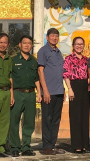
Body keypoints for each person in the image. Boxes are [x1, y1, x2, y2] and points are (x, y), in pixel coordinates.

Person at [9, 35, 42, 157]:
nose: (27, 45)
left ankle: (26, 147)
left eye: (29, 43)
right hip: (17, 93)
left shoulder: (34, 61)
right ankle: (15, 147)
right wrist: (11, 94)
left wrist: (39, 93)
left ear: (31, 45)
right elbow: (10, 78)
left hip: (30, 94)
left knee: (29, 122)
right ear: (20, 45)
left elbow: (36, 79)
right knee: (14, 121)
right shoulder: (13, 60)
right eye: (24, 43)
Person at [37, 28, 66, 156]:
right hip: (48, 92)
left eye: (56, 36)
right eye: (52, 36)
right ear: (47, 37)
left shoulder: (59, 52)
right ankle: (46, 146)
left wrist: (63, 90)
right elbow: (40, 71)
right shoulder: (43, 51)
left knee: (56, 119)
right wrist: (45, 91)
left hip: (59, 91)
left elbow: (61, 73)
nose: (54, 38)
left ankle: (52, 145)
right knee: (47, 119)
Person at [63, 37, 90, 154]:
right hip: (74, 86)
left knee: (84, 116)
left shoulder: (86, 59)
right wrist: (69, 89)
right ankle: (77, 146)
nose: (79, 46)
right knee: (75, 116)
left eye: (81, 44)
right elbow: (65, 74)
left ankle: (84, 145)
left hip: (85, 87)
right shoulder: (68, 58)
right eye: (77, 44)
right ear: (73, 46)